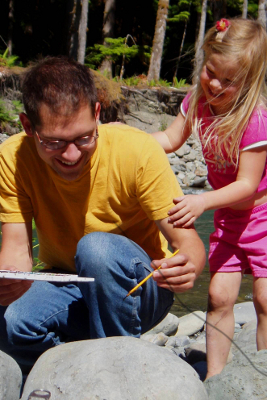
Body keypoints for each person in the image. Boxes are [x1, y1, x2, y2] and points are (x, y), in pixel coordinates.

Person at [0, 56, 206, 373]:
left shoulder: (136, 150)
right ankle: (69, 374)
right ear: (28, 126)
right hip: (66, 282)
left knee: (96, 249)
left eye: (84, 137)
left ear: (97, 114)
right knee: (13, 321)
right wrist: (9, 279)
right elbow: (15, 249)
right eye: (54, 142)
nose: (71, 155)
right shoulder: (12, 158)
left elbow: (188, 243)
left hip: (140, 289)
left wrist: (188, 264)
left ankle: (116, 373)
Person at [151, 18, 267, 379]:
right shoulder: (198, 101)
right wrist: (128, 142)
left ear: (248, 81)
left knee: (264, 301)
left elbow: (248, 185)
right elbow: (170, 140)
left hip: (262, 218)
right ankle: (214, 378)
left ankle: (262, 376)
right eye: (210, 71)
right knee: (218, 297)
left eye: (228, 81)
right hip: (229, 221)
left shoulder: (255, 120)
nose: (214, 83)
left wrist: (201, 201)